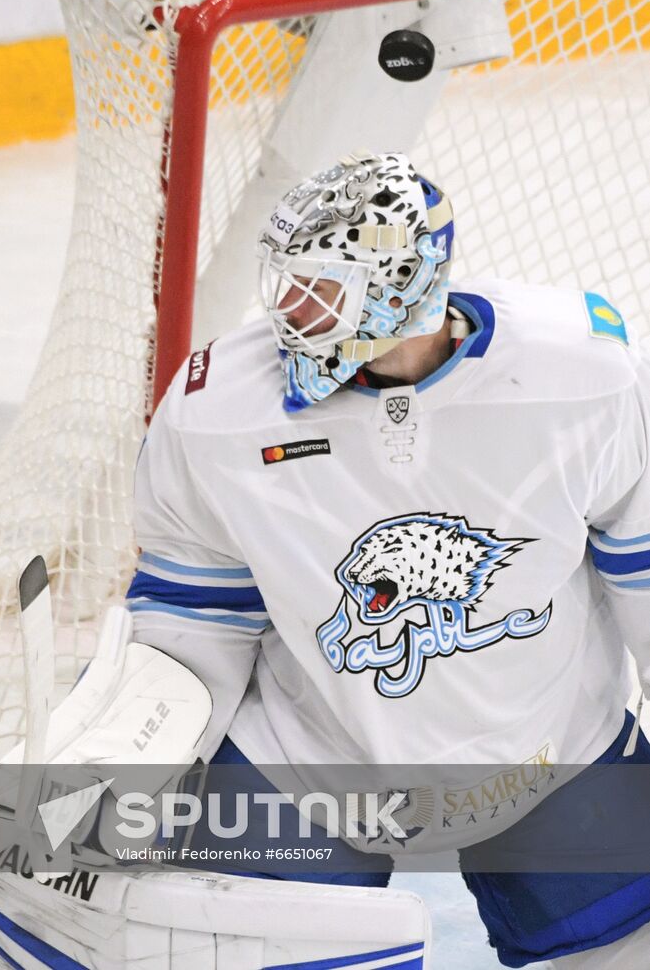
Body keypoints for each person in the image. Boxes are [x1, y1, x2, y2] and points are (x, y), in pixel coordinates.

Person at [119, 150, 650, 967]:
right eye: (286, 282)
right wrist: (109, 779)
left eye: (320, 287)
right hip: (308, 767)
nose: (289, 311)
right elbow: (190, 627)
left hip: (553, 753)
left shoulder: (580, 379)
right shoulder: (214, 417)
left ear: (403, 284)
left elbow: (641, 576)